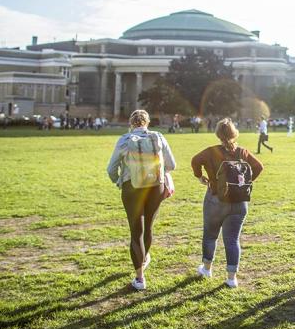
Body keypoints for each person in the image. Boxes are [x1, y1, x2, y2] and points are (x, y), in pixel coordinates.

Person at [107, 110, 176, 291]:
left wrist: (119, 181)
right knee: (149, 226)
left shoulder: (124, 140)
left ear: (131, 123)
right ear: (147, 122)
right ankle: (144, 258)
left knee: (136, 230)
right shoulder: (158, 137)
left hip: (132, 188)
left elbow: (111, 169)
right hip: (155, 187)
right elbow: (172, 165)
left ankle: (139, 278)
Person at [191, 118, 263, 288]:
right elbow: (259, 166)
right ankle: (232, 278)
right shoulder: (243, 152)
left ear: (218, 134)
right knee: (232, 240)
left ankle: (207, 268)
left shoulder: (211, 152)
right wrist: (244, 182)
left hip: (216, 199)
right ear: (234, 133)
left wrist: (200, 176)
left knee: (210, 235)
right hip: (240, 201)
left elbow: (195, 161)